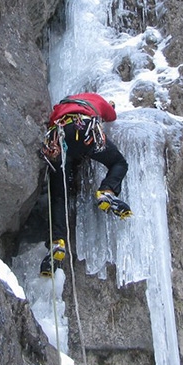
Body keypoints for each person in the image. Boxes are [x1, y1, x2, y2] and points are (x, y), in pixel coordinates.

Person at [39, 92, 132, 277]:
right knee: (119, 162)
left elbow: (50, 122)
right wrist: (108, 107)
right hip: (84, 130)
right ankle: (106, 191)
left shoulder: (60, 107)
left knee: (59, 195)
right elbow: (111, 116)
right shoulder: (94, 98)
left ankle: (57, 241)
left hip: (59, 138)